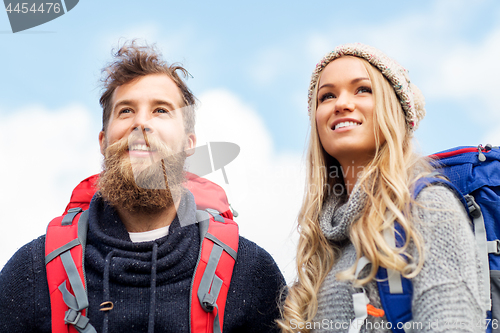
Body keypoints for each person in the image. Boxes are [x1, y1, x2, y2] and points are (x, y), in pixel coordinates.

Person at [0, 41, 285, 333]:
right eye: (126, 111)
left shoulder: (250, 273)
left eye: (161, 110)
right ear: (103, 141)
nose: (141, 123)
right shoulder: (33, 273)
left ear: (189, 144)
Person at [278, 43, 486, 333]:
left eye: (362, 89)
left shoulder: (428, 205)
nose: (341, 103)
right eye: (327, 96)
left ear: (394, 110)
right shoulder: (324, 239)